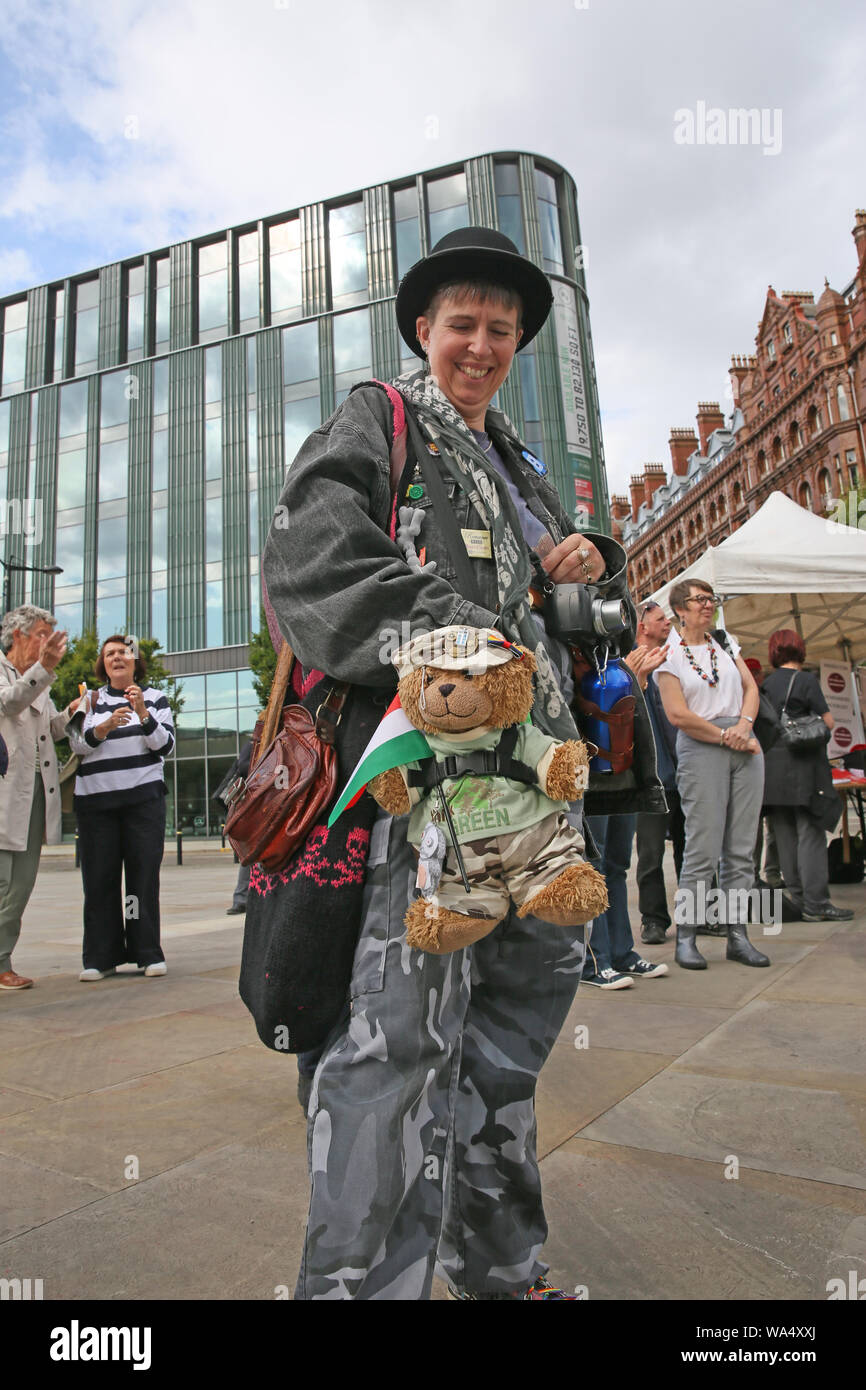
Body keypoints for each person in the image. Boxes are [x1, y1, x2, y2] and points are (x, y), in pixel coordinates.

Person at [262, 226, 662, 1300]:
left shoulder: (520, 467)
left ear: (518, 339)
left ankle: (497, 1265)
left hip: (537, 797)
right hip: (432, 794)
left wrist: (588, 563)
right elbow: (313, 556)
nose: (478, 345)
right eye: (460, 326)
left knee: (507, 1039)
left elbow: (569, 616)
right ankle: (354, 1285)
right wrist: (465, 645)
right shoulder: (379, 419)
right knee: (396, 1043)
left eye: (498, 328)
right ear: (421, 332)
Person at [657, 579, 770, 970]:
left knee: (741, 851)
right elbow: (677, 714)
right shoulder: (668, 653)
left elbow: (751, 688)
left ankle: (738, 935)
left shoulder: (725, 640)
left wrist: (744, 726)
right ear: (680, 610)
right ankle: (686, 936)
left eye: (711, 599)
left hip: (745, 743)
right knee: (702, 850)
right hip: (704, 746)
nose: (708, 605)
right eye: (699, 600)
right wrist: (725, 735)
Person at [67, 636, 175, 981]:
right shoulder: (90, 699)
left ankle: (147, 953)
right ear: (103, 664)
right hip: (97, 803)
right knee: (99, 879)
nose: (117, 657)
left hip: (143, 801)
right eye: (109, 653)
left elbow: (164, 746)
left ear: (134, 661)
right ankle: (100, 957)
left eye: (123, 652)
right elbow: (76, 745)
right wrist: (104, 726)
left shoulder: (155, 697)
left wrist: (142, 712)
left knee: (142, 878)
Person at [0, 605, 84, 990]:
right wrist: (45, 670)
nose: (47, 643)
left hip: (34, 791)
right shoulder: (10, 673)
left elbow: (52, 729)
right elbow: (10, 702)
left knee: (21, 884)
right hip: (4, 790)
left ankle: (2, 958)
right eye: (41, 635)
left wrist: (75, 711)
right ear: (17, 634)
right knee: (2, 881)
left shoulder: (41, 681)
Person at [762, 629, 853, 923]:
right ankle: (817, 902)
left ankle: (799, 899)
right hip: (803, 770)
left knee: (785, 838)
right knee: (811, 836)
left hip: (772, 773)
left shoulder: (765, 684)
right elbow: (828, 721)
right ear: (799, 649)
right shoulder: (806, 681)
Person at [632, 599, 685, 944]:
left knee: (690, 849)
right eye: (660, 619)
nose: (667, 623)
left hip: (682, 772)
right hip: (651, 779)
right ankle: (654, 920)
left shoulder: (674, 662)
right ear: (642, 626)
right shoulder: (632, 663)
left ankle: (700, 915)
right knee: (651, 853)